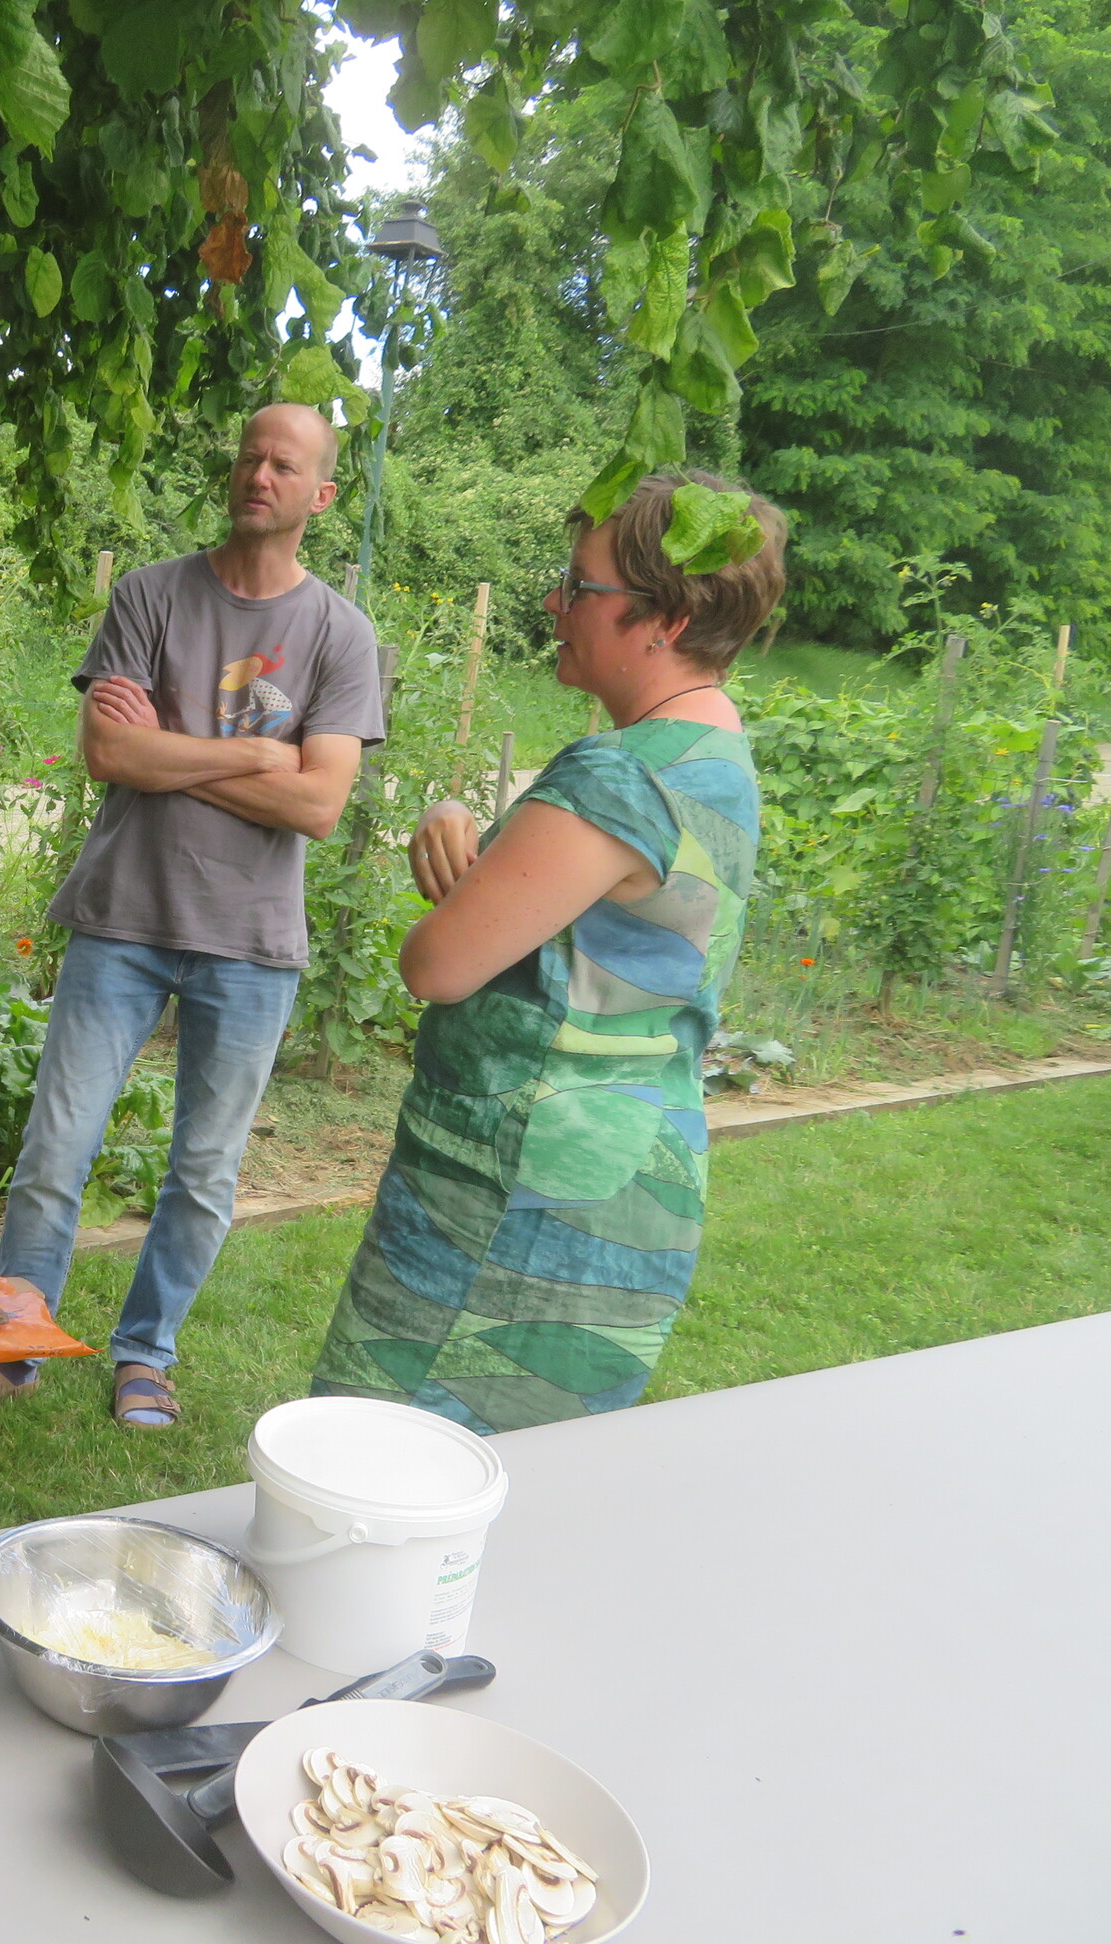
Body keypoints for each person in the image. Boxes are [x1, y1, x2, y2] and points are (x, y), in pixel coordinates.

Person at [311, 470, 789, 1433]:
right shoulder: (715, 758)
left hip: (515, 1210)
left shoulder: (617, 776)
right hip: (623, 1191)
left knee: (367, 1466)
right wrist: (459, 823)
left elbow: (438, 964)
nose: (553, 605)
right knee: (506, 1488)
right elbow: (573, 928)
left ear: (667, 618)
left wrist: (455, 858)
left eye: (579, 587)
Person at [0, 403, 384, 1428]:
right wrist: (254, 753)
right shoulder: (150, 595)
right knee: (55, 1149)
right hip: (122, 918)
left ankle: (144, 1353)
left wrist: (173, 751)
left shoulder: (341, 633)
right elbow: (109, 752)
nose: (259, 474)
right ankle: (16, 1341)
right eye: (249, 456)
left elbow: (320, 804)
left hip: (251, 945)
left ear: (320, 495)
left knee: (204, 1173)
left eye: (284, 464)